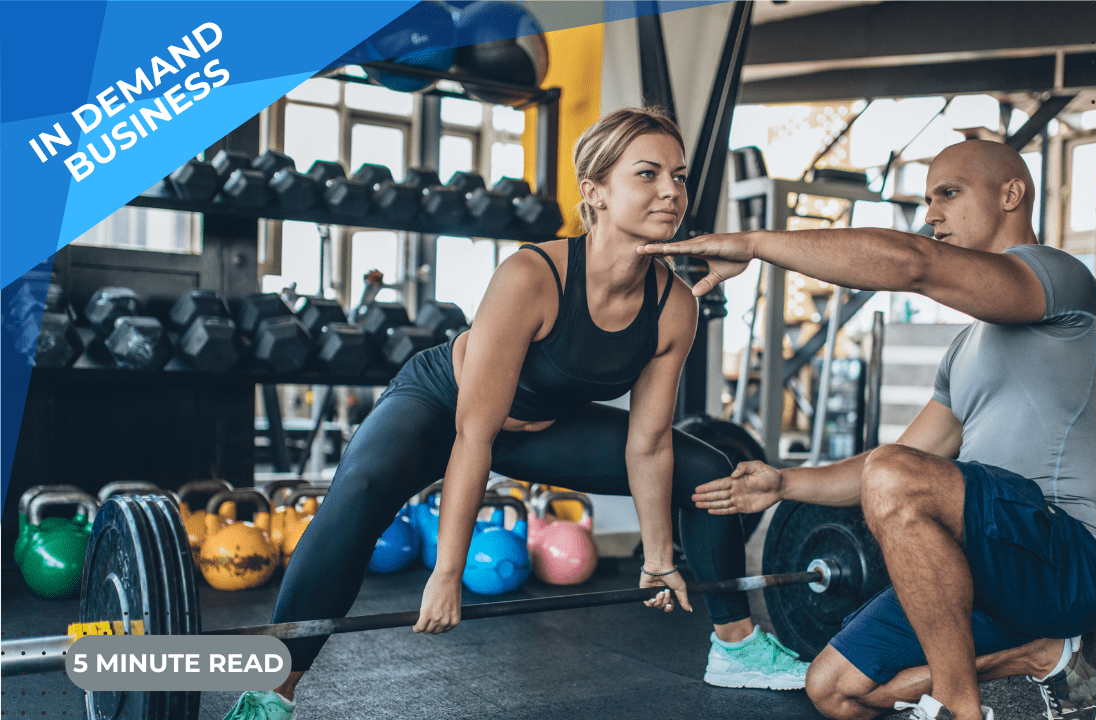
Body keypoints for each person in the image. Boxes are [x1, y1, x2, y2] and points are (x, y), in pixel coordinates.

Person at [221, 107, 810, 720]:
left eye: (680, 176)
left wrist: (659, 558)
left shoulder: (673, 305)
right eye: (648, 174)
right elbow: (474, 435)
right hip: (444, 406)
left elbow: (650, 443)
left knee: (707, 471)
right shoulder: (533, 276)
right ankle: (272, 691)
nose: (672, 191)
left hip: (540, 429)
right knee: (360, 493)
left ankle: (736, 645)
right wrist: (447, 572)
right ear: (596, 192)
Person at [638, 140, 1096, 720]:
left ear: (1011, 194)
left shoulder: (1063, 281)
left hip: (1069, 556)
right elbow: (899, 459)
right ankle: (1051, 655)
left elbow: (912, 264)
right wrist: (783, 485)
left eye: (949, 193)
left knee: (893, 476)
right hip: (987, 563)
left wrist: (755, 244)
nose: (931, 215)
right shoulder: (964, 351)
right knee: (833, 690)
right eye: (927, 199)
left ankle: (957, 708)